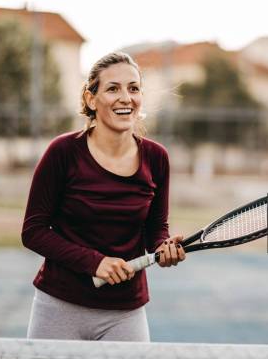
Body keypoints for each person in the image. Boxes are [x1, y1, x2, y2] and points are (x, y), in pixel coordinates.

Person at [22, 52, 185, 341]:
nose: (126, 97)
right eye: (113, 88)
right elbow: (33, 232)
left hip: (125, 313)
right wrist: (94, 262)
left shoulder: (157, 158)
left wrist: (165, 246)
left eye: (133, 88)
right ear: (90, 99)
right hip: (59, 306)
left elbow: (155, 231)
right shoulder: (62, 152)